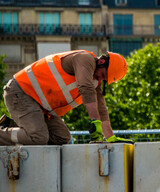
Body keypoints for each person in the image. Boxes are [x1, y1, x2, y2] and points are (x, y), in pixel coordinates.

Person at [0, 50, 133, 145]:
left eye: (105, 79)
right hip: (21, 92)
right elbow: (85, 87)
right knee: (38, 138)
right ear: (102, 62)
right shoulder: (84, 59)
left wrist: (110, 137)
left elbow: (101, 108)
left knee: (62, 138)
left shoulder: (96, 80)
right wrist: (94, 121)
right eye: (103, 74)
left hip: (40, 107)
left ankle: (9, 125)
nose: (101, 79)